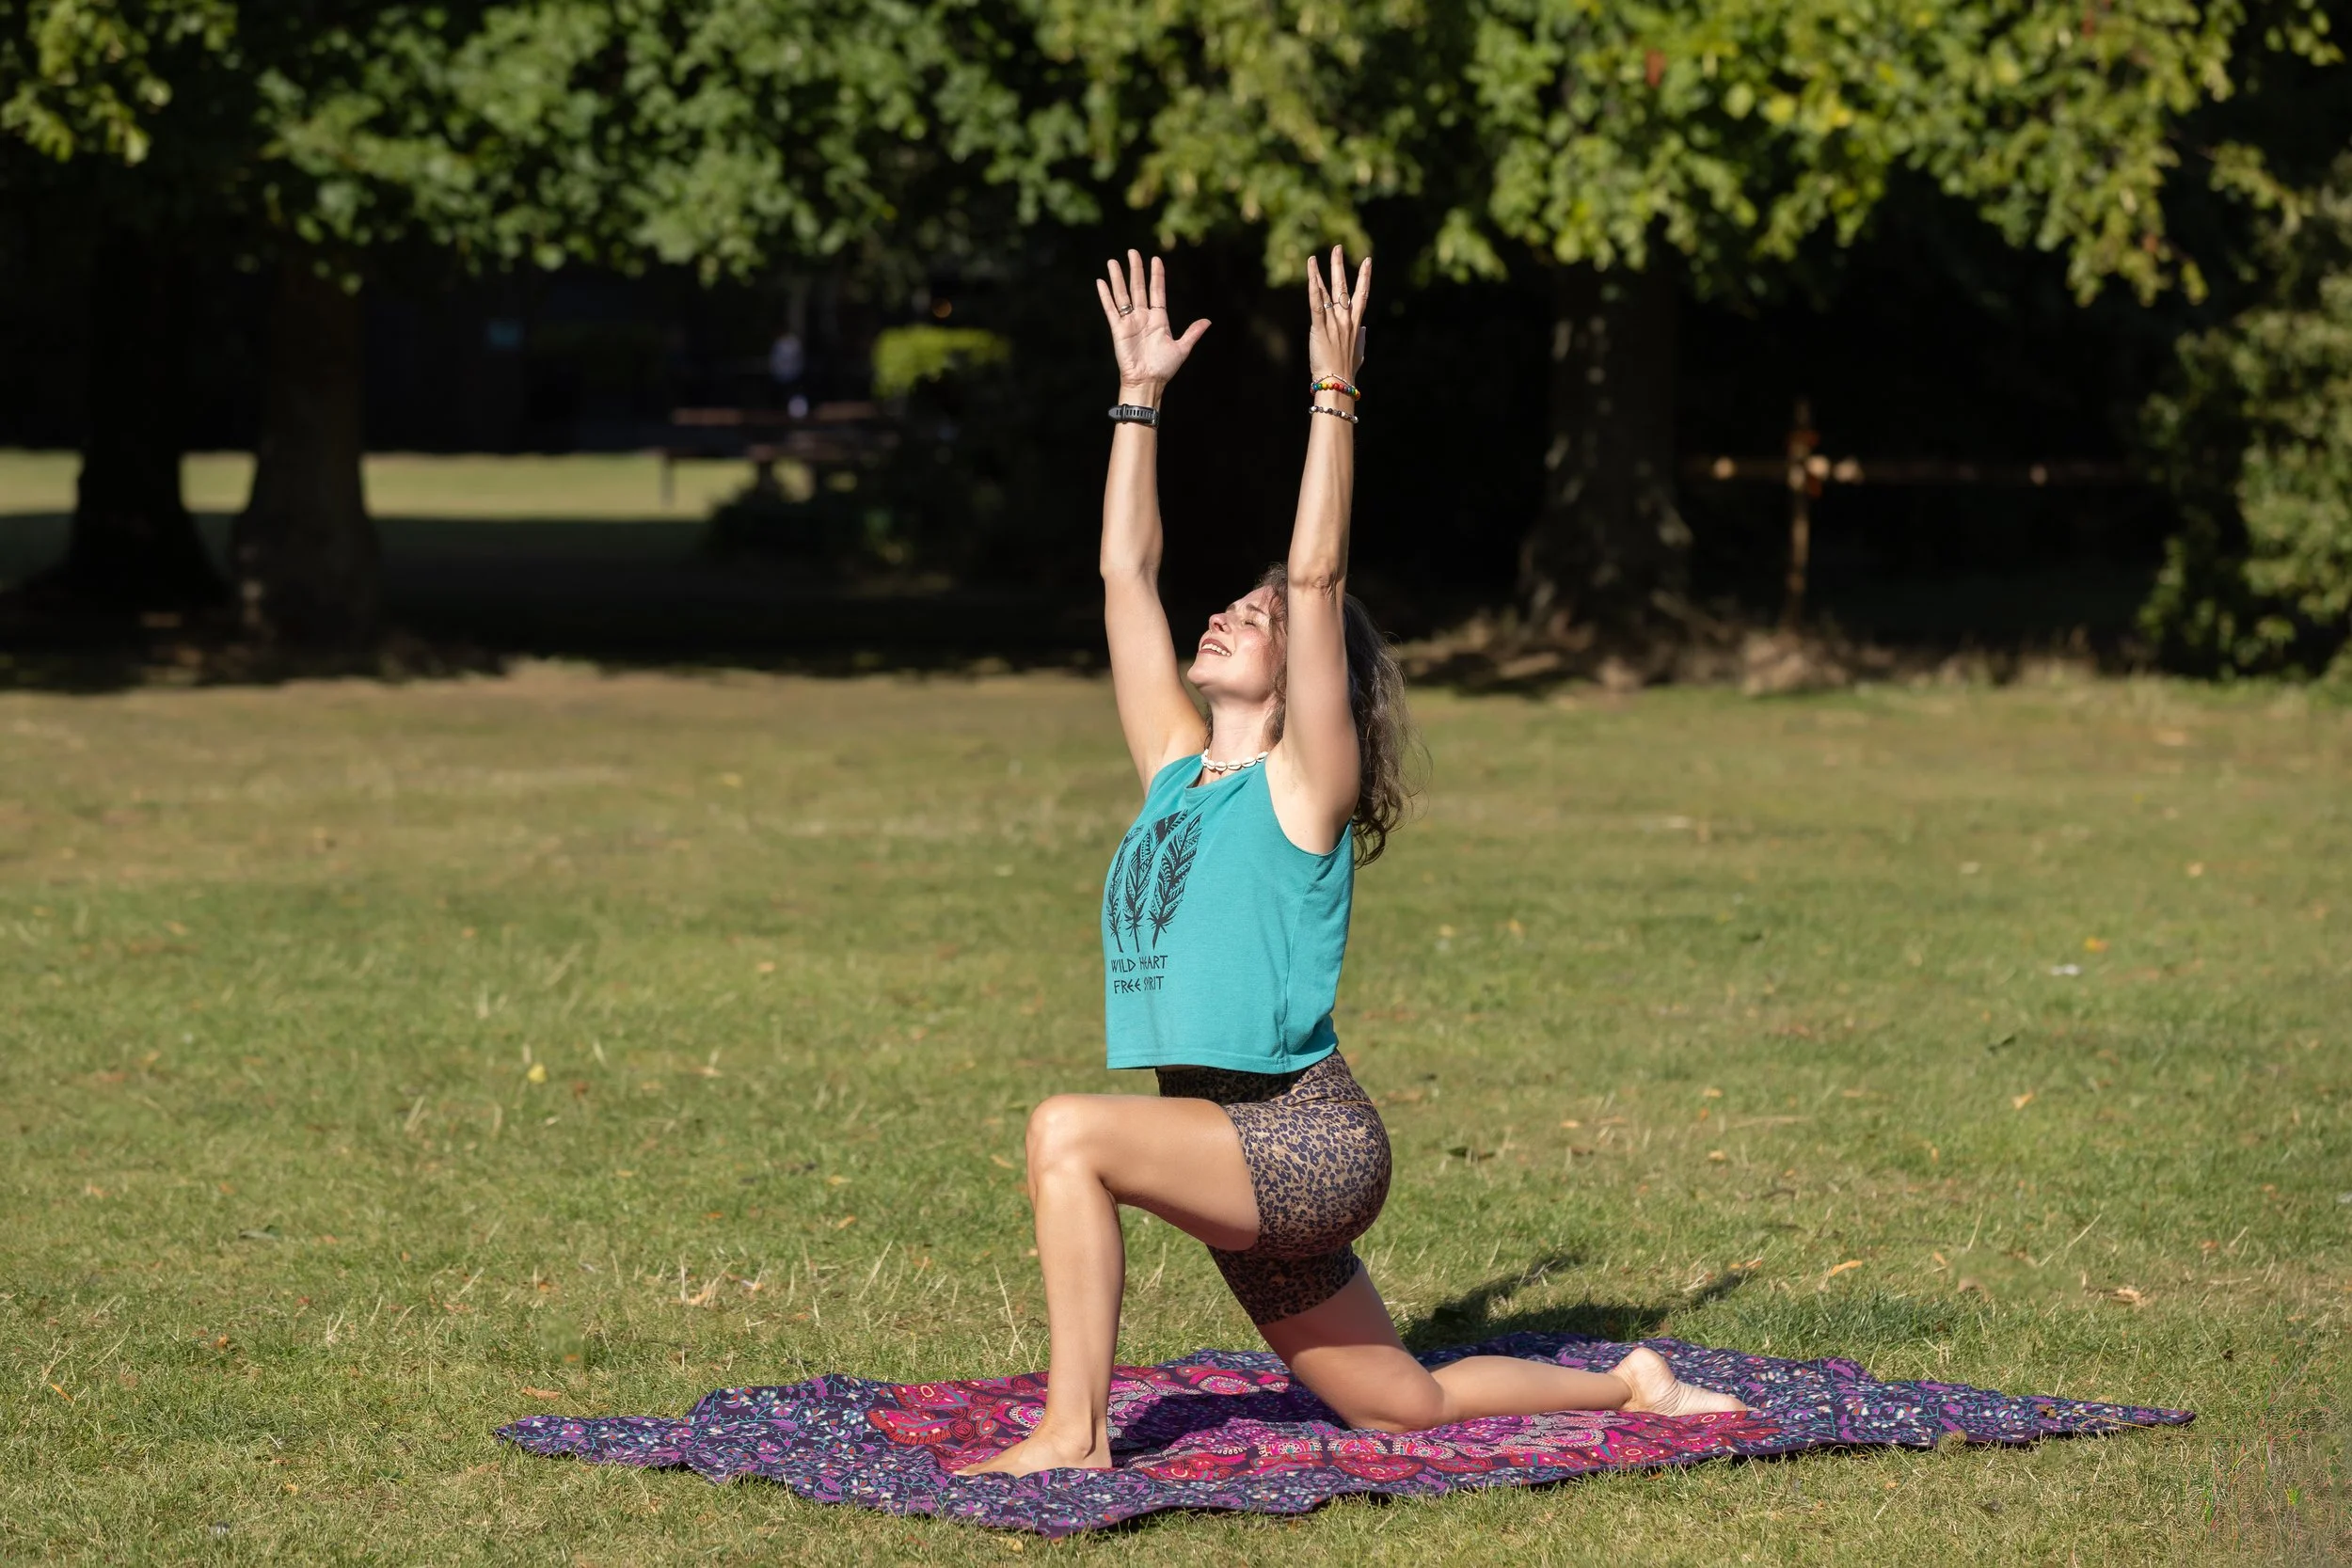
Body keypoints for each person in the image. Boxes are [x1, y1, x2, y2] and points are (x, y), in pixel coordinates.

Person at [960, 247, 1744, 1479]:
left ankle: (1074, 1434)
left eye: (1258, 620)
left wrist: (1336, 394)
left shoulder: (1301, 787)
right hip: (1223, 1135)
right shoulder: (1177, 769)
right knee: (1396, 1403)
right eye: (1234, 603)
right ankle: (1629, 1379)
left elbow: (1318, 573)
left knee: (1068, 1132)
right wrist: (1138, 400)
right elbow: (1126, 573)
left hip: (1303, 1140)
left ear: (1303, 678)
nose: (1231, 612)